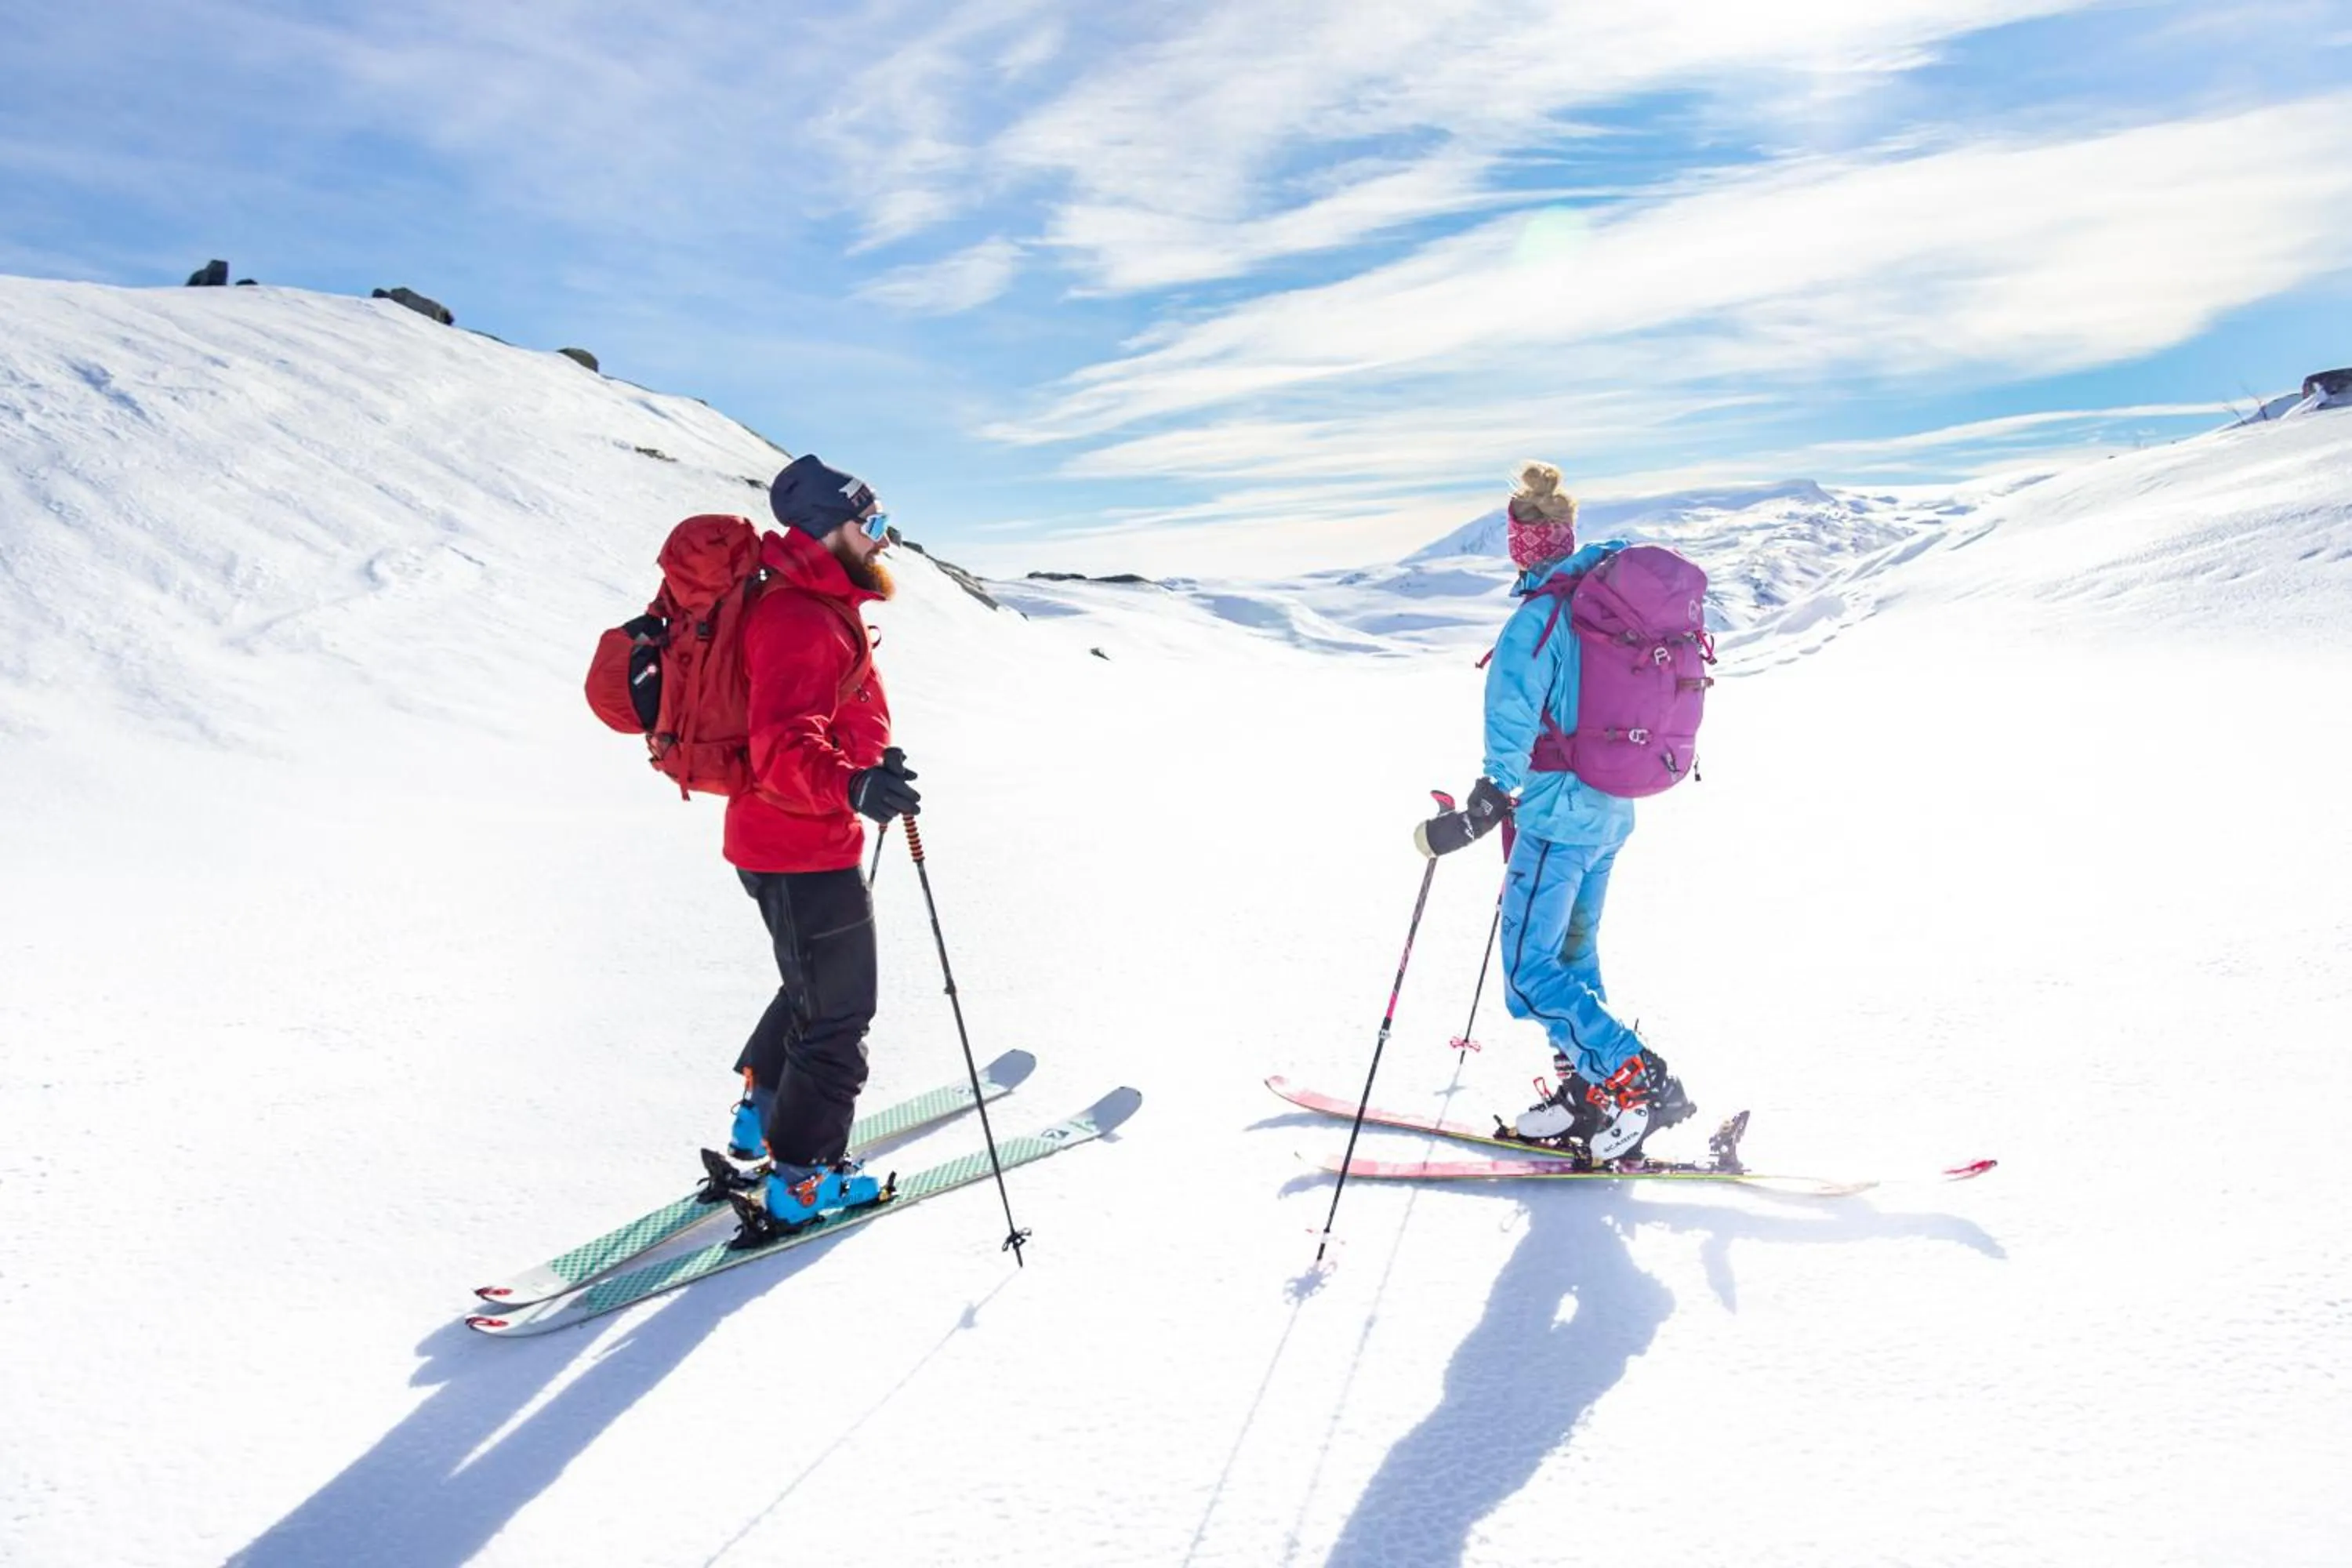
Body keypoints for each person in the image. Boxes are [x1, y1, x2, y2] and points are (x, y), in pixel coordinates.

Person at [1419, 463, 1694, 1163]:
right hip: (1610, 811)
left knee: (1528, 971)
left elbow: (1511, 722)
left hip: (1554, 819)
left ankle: (1637, 1082)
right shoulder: (1597, 610)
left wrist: (1488, 803)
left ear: (1519, 547)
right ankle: (1590, 1096)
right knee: (1572, 958)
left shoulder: (1538, 619)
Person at [722, 452, 924, 1232]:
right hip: (800, 844)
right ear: (828, 529)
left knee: (812, 985)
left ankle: (760, 1116)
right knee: (840, 1013)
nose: (881, 539)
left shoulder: (815, 600)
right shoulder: (800, 614)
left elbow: (821, 720)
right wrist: (851, 786)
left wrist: (868, 764)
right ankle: (801, 1180)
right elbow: (782, 745)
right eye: (869, 524)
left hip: (786, 837)